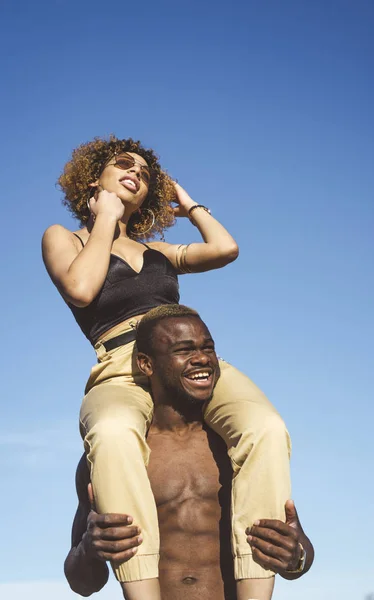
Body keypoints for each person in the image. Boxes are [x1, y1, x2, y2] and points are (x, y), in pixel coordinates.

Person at [42, 136, 292, 600]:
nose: (135, 170)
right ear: (93, 177)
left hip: (187, 357)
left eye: (145, 172)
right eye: (121, 164)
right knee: (114, 432)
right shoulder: (66, 238)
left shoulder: (158, 250)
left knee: (267, 427)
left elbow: (225, 248)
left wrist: (186, 202)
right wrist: (106, 219)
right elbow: (80, 288)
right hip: (120, 362)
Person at [64, 305, 314, 600]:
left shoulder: (238, 445)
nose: (202, 358)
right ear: (146, 364)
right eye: (184, 350)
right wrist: (90, 549)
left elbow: (297, 555)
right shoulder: (118, 454)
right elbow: (83, 584)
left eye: (208, 348)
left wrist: (295, 554)